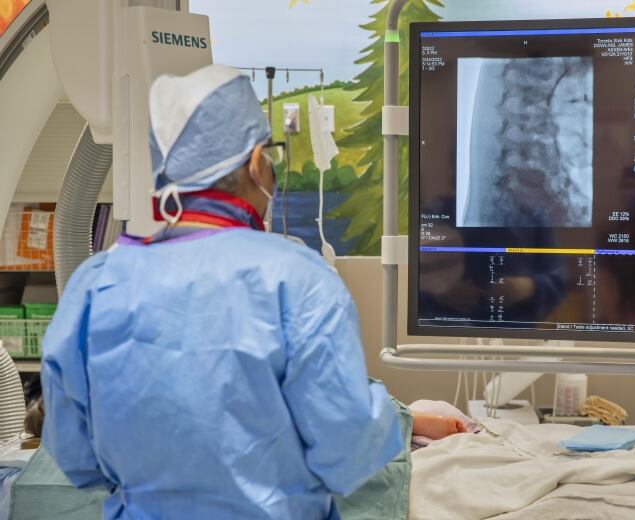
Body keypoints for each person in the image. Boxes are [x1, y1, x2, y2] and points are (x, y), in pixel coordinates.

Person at [40, 64, 402, 520]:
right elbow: (348, 450)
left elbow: (74, 457)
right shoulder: (298, 281)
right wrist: (393, 416)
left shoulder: (96, 285)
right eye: (268, 155)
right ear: (255, 162)